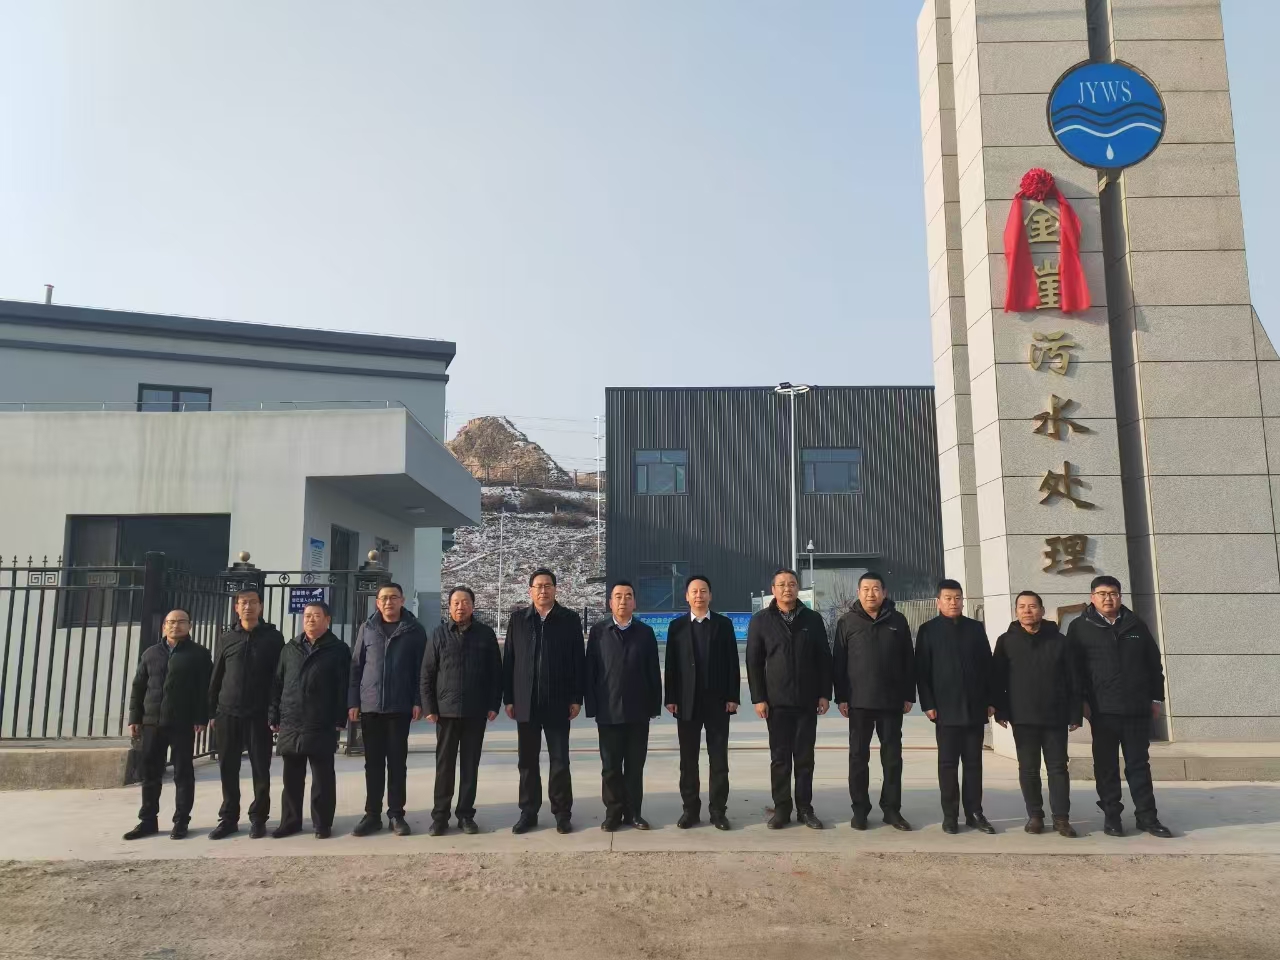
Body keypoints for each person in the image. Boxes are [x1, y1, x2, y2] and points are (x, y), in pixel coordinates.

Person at [1067, 575, 1173, 838]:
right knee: (1106, 767)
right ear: (1092, 597)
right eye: (1102, 594)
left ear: (1120, 596)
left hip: (1136, 709)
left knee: (1139, 765)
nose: (1108, 598)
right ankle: (1112, 816)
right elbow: (1073, 671)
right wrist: (1080, 703)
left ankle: (1147, 817)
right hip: (1102, 710)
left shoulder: (1135, 624)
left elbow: (1153, 664)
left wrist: (1156, 699)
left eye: (1113, 593)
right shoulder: (1080, 627)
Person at [746, 568, 832, 830]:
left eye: (792, 584)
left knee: (805, 758)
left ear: (798, 588)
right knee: (780, 758)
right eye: (782, 584)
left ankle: (805, 809)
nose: (787, 588)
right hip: (776, 703)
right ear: (773, 589)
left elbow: (823, 659)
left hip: (807, 701)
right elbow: (754, 662)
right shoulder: (761, 620)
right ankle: (782, 808)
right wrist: (759, 698)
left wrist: (824, 694)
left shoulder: (812, 619)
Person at [503, 568, 585, 834]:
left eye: (548, 585)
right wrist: (509, 698)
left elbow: (578, 661)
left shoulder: (569, 619)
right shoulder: (518, 620)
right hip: (525, 702)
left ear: (555, 589)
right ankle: (528, 812)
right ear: (530, 591)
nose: (543, 590)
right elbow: (509, 661)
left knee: (559, 760)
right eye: (538, 586)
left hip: (558, 700)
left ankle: (562, 813)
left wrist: (576, 697)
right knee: (527, 761)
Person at [992, 590, 1080, 838]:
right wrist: (1000, 710)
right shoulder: (1006, 641)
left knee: (1058, 768)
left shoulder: (1060, 641)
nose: (1027, 611)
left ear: (1042, 610)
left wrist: (1075, 713)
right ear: (1016, 611)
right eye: (1022, 606)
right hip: (1022, 717)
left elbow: (1074, 679)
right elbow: (998, 679)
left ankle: (1061, 818)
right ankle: (1035, 816)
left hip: (1055, 716)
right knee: (1028, 769)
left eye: (1032, 606)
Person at [833, 571, 915, 832]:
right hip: (859, 703)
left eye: (876, 589)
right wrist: (841, 697)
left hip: (892, 702)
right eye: (866, 589)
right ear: (858, 593)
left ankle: (892, 810)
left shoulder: (898, 621)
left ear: (884, 592)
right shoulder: (847, 622)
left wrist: (908, 695)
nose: (871, 594)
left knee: (892, 759)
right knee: (858, 758)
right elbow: (839, 662)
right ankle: (860, 810)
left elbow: (908, 660)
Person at [914, 579, 995, 835]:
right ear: (938, 602)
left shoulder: (975, 628)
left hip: (974, 707)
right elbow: (922, 672)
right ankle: (950, 815)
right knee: (948, 765)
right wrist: (928, 703)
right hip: (944, 709)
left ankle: (974, 813)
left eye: (958, 598)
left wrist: (991, 700)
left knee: (973, 764)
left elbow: (988, 666)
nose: (953, 602)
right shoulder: (928, 630)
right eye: (948, 598)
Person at [123, 609, 211, 840]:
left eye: (181, 622)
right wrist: (135, 717)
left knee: (183, 773)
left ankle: (181, 821)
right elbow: (138, 686)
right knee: (150, 773)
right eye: (171, 622)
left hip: (182, 722)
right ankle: (147, 820)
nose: (175, 626)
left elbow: (205, 689)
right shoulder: (150, 653)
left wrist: (201, 717)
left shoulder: (199, 654)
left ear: (189, 626)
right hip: (151, 723)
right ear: (164, 626)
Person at [348, 582, 428, 837]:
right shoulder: (367, 628)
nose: (388, 602)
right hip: (371, 706)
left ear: (402, 600)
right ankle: (372, 815)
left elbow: (422, 669)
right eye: (383, 598)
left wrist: (418, 700)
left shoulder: (414, 630)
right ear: (377, 602)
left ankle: (396, 814)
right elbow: (356, 666)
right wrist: (353, 701)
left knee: (396, 763)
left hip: (399, 706)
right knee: (372, 764)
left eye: (393, 597)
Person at [422, 586, 502, 836]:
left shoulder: (485, 634)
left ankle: (466, 815)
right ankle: (440, 817)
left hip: (475, 711)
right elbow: (427, 673)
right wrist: (429, 707)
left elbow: (495, 673)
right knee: (444, 767)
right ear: (449, 607)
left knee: (470, 766)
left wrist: (493, 704)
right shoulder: (438, 634)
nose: (460, 606)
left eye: (465, 602)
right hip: (445, 713)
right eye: (456, 602)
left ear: (472, 606)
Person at [664, 574, 740, 831]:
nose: (699, 595)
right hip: (687, 704)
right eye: (694, 591)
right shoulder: (676, 627)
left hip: (718, 703)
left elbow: (732, 663)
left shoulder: (723, 625)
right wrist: (671, 698)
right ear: (687, 596)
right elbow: (671, 665)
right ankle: (690, 810)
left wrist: (733, 697)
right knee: (688, 761)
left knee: (719, 761)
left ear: (710, 595)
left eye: (703, 591)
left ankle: (718, 811)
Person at [269, 601, 350, 839]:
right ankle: (290, 822)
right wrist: (274, 713)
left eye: (316, 615)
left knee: (322, 777)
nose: (310, 620)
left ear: (327, 620)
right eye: (307, 616)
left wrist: (340, 717)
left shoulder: (338, 649)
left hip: (321, 720)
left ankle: (322, 823)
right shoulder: (290, 648)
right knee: (291, 777)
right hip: (291, 719)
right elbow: (277, 683)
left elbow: (343, 686)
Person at [208, 588, 284, 840]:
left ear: (260, 606)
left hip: (259, 714)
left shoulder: (273, 638)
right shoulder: (226, 638)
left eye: (253, 602)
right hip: (227, 712)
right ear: (236, 608)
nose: (248, 607)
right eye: (243, 603)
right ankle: (228, 818)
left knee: (261, 768)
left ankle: (259, 818)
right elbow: (217, 675)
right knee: (227, 767)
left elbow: (278, 678)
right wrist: (211, 711)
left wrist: (275, 711)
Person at [586, 581, 662, 831]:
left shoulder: (645, 633)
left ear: (634, 602)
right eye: (618, 596)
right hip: (608, 712)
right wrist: (592, 706)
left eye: (628, 596)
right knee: (610, 768)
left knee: (634, 767)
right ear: (610, 602)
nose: (623, 600)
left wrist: (654, 705)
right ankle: (613, 813)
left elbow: (653, 671)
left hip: (638, 711)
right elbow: (591, 671)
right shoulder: (599, 632)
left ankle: (633, 813)